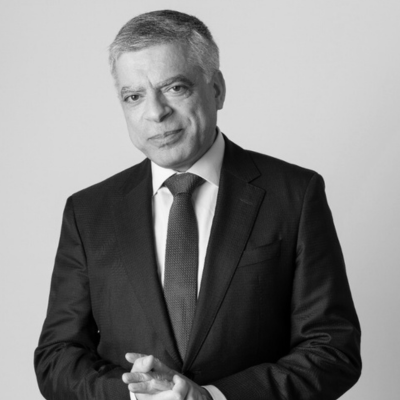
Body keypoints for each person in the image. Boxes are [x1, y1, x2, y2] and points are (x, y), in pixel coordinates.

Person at [34, 9, 361, 400]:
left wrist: (213, 396)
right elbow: (57, 357)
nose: (155, 112)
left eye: (174, 88)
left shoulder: (295, 194)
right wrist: (138, 395)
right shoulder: (88, 212)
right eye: (134, 96)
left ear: (217, 89)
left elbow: (332, 350)